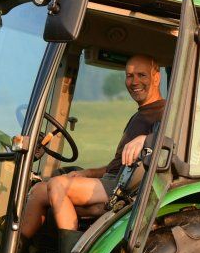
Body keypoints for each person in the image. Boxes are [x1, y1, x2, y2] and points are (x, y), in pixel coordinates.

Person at [19, 54, 165, 240]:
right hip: (113, 179)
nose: (134, 81)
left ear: (156, 77)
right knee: (39, 190)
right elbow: (117, 165)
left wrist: (147, 139)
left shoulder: (164, 112)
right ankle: (16, 250)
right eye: (129, 76)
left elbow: (173, 140)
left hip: (123, 187)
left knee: (58, 185)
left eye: (141, 75)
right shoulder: (140, 115)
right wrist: (87, 173)